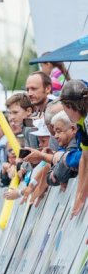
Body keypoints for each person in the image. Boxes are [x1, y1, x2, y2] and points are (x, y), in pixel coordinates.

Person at [59, 80, 88, 216]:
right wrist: (78, 194)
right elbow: (84, 158)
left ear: (69, 106)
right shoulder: (82, 122)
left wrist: (82, 199)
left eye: (64, 108)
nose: (65, 112)